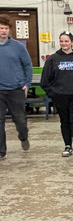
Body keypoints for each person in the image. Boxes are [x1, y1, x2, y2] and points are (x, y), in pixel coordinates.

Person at [40, 31, 73, 158]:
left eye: (66, 41)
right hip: (60, 96)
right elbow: (45, 80)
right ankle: (67, 146)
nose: (64, 43)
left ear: (72, 42)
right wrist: (53, 93)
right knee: (64, 121)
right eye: (61, 41)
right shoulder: (53, 59)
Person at [0, 14, 33, 158]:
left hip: (16, 90)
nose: (3, 31)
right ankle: (1, 151)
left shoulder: (18, 47)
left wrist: (27, 84)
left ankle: (23, 137)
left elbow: (28, 65)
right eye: (1, 28)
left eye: (6, 28)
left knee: (20, 120)